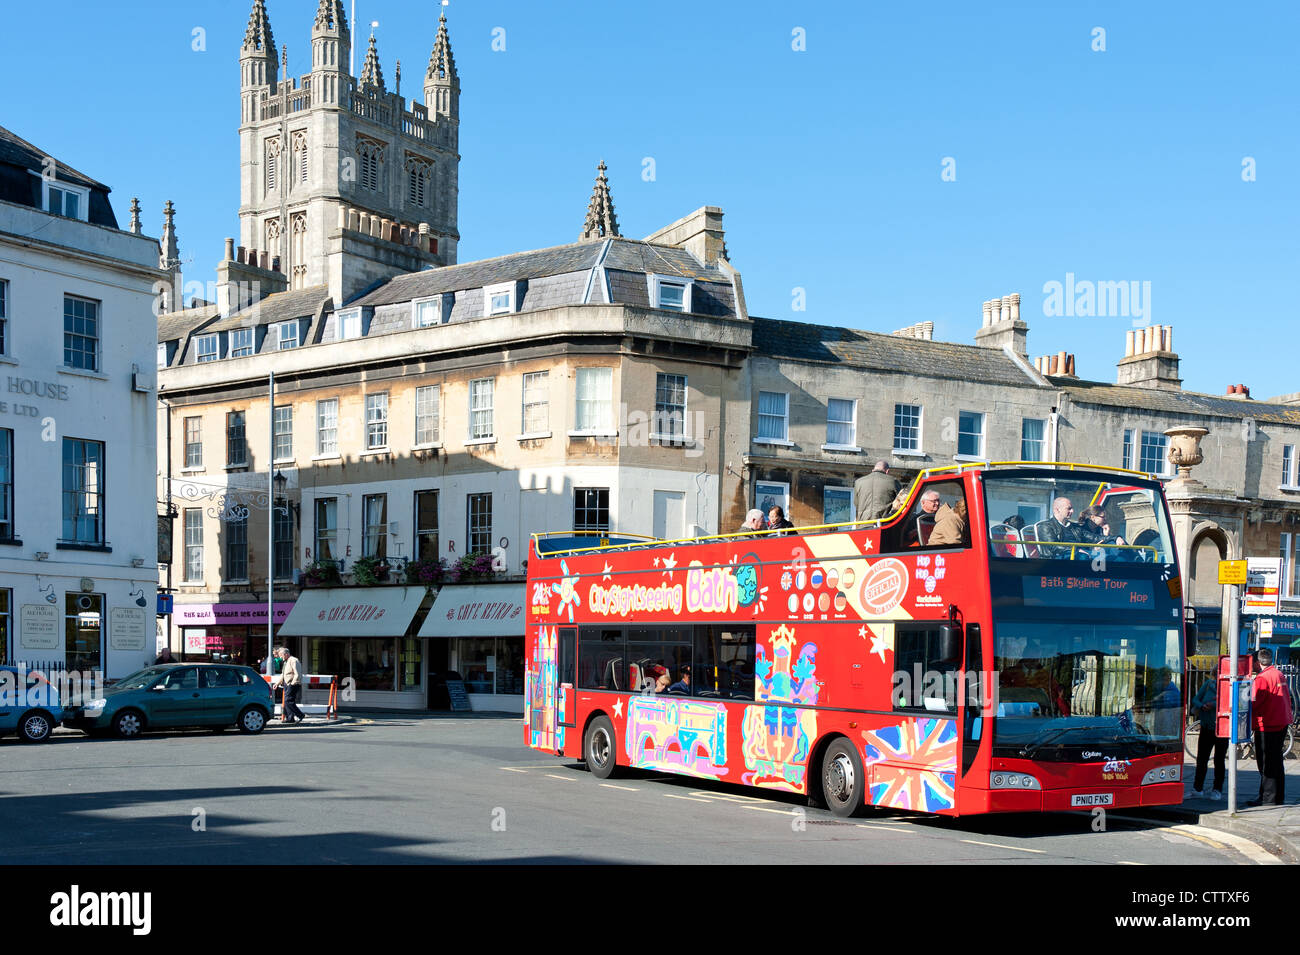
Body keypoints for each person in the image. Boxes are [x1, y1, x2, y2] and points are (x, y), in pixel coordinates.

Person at [1248, 647, 1293, 806]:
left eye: (1252, 662)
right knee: (1276, 761)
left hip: (1267, 724)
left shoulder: (1261, 678)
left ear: (1258, 662)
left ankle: (1268, 798)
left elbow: (1256, 703)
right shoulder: (1278, 673)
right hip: (1281, 722)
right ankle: (1276, 796)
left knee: (1266, 763)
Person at [1189, 675, 1226, 800]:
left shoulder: (1227, 685)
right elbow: (1195, 699)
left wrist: (1214, 704)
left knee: (1219, 760)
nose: (1216, 678)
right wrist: (1202, 705)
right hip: (1206, 726)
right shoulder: (1208, 684)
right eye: (1215, 675)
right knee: (1202, 759)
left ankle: (1217, 789)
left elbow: (1228, 701)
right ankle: (1197, 788)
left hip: (1222, 728)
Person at [275, 646, 306, 723]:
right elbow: (283, 674)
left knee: (288, 700)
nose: (281, 658)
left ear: (286, 654)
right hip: (287, 683)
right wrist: (277, 683)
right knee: (287, 701)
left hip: (292, 684)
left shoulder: (294, 660)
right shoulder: (286, 662)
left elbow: (297, 673)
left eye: (281, 656)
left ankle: (300, 715)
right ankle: (290, 718)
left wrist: (292, 684)